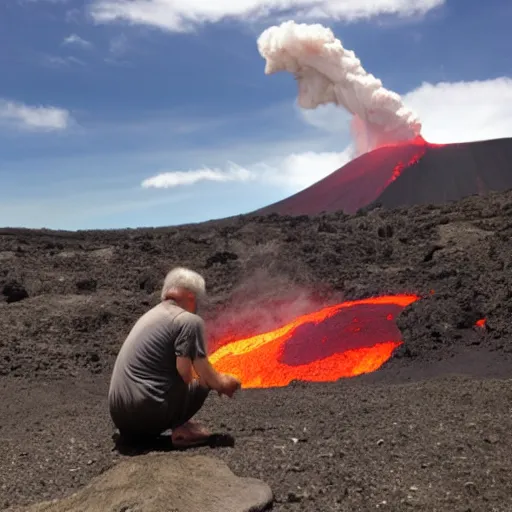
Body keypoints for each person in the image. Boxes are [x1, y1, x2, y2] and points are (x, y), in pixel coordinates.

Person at [108, 266, 241, 448]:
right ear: (192, 297)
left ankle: (168, 425)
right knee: (203, 380)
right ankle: (182, 430)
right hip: (146, 414)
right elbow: (188, 373)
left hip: (120, 416)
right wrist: (225, 383)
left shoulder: (150, 316)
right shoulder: (188, 321)